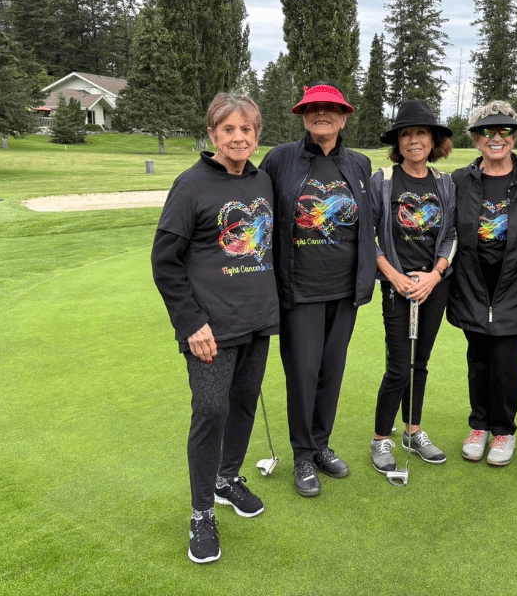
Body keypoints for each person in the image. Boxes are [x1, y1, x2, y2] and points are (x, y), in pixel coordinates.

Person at [151, 93, 278, 563]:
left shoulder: (263, 181)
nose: (239, 137)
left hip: (257, 322)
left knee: (243, 405)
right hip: (209, 330)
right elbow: (165, 262)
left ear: (257, 135)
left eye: (247, 129)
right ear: (212, 135)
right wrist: (191, 324)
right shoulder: (191, 186)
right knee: (210, 412)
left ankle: (228, 479)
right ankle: (202, 512)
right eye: (229, 130)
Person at [259, 83, 376, 497]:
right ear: (303, 116)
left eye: (330, 109)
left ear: (344, 117)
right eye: (313, 109)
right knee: (303, 376)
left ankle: (321, 445)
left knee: (331, 373)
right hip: (299, 289)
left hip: (345, 291)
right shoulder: (280, 160)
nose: (321, 114)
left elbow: (371, 224)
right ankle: (303, 455)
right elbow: (259, 212)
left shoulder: (359, 164)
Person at [448, 101, 517, 466]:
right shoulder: (460, 180)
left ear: (515, 136)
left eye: (505, 131)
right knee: (478, 359)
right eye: (487, 131)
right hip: (473, 285)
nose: (496, 138)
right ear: (475, 139)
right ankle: (480, 425)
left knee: (505, 361)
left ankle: (503, 430)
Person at [369, 100, 456, 473]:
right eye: (406, 134)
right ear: (398, 143)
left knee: (420, 363)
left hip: (434, 286)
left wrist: (435, 275)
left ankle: (413, 431)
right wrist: (394, 275)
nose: (414, 140)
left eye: (421, 133)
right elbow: (366, 239)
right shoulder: (383, 181)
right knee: (398, 366)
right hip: (398, 286)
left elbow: (451, 235)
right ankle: (380, 439)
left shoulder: (444, 183)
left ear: (433, 139)